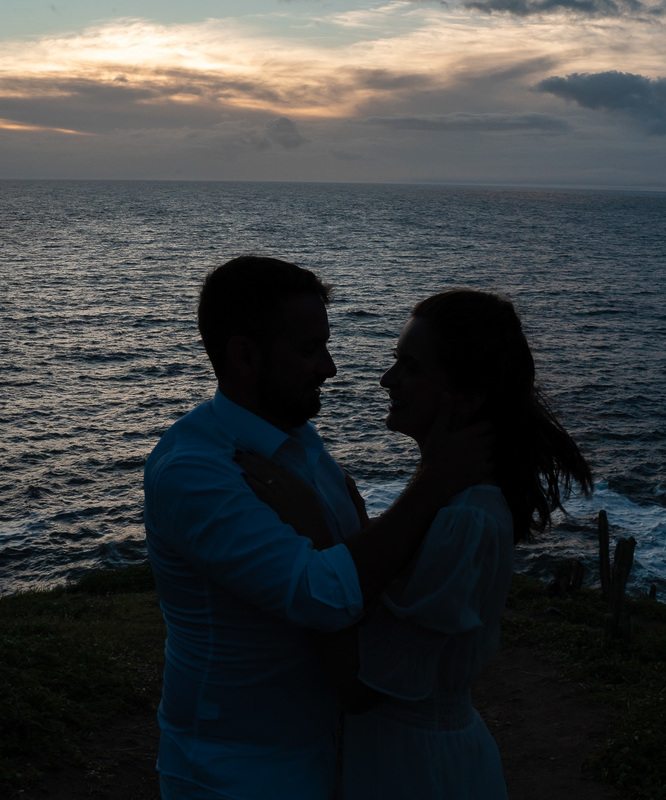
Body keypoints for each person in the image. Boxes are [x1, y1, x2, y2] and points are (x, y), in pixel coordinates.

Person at [143, 257, 490, 800]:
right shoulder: (194, 471)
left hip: (321, 754)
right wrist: (434, 482)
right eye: (309, 350)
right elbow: (323, 596)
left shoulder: (299, 442)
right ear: (243, 356)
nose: (329, 368)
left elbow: (356, 571)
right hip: (235, 772)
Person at [242, 288, 592, 798]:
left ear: (469, 397)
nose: (388, 381)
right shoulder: (449, 502)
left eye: (410, 368)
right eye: (394, 362)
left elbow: (358, 687)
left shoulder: (465, 519)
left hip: (415, 771)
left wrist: (315, 541)